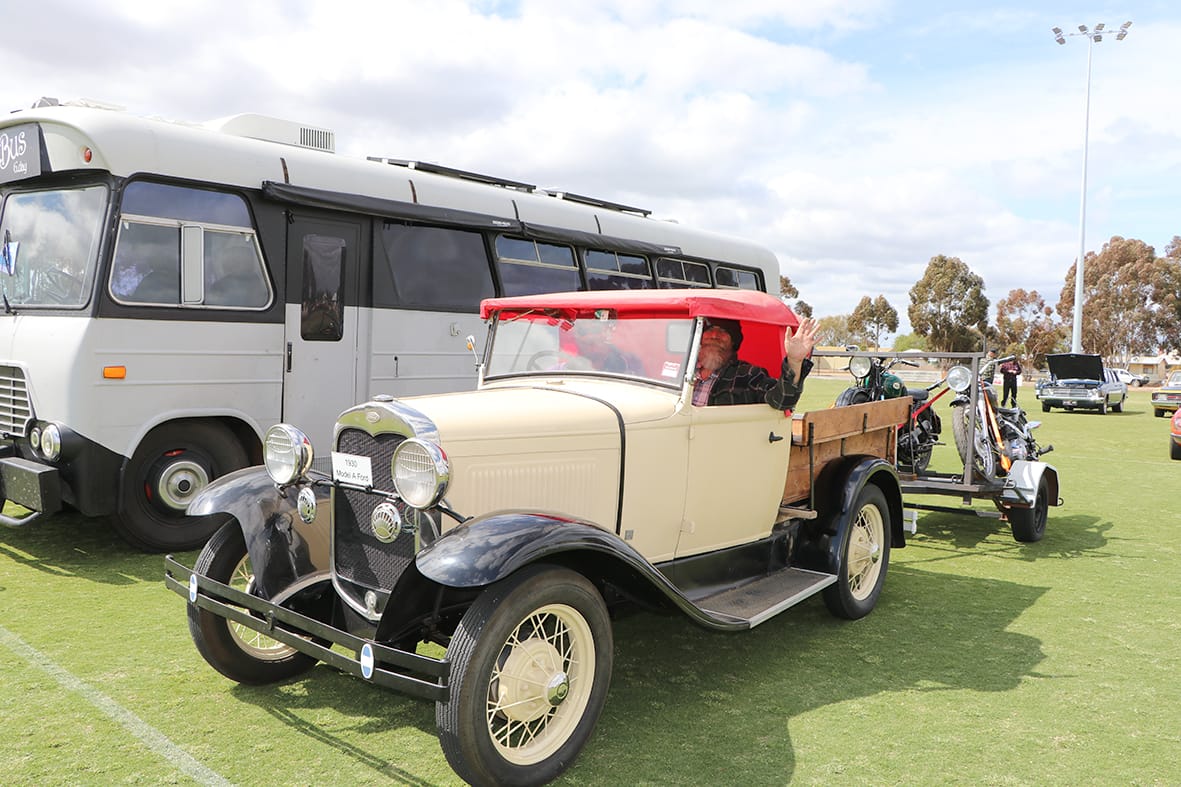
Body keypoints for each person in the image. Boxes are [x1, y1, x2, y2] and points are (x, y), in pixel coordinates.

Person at [692, 316, 818, 408]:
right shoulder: (683, 371)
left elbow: (781, 400)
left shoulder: (749, 374)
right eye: (709, 329)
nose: (714, 335)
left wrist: (794, 361)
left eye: (724, 331)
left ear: (733, 341)